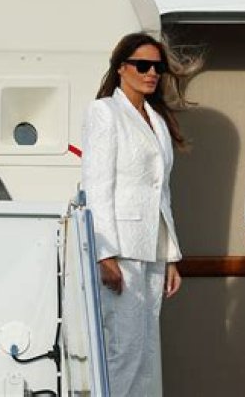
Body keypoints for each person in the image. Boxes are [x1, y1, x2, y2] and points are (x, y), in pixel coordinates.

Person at [81, 31, 200, 397]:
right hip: (120, 247)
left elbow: (161, 192)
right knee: (124, 350)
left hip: (152, 247)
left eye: (157, 67)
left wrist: (170, 255)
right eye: (143, 65)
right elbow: (97, 184)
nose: (152, 73)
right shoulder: (105, 112)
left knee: (147, 353)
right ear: (121, 67)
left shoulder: (157, 120)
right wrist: (104, 252)